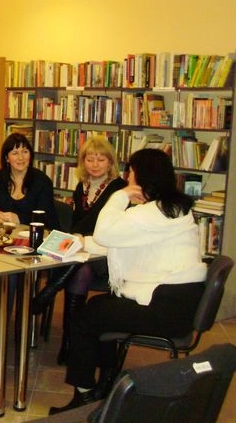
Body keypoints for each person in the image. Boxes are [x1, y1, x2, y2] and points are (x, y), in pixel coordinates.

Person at [49, 148, 207, 414]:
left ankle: (83, 396)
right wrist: (82, 242)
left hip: (164, 307)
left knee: (86, 318)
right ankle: (105, 386)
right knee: (102, 309)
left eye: (130, 173)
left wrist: (120, 195)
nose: (127, 178)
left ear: (142, 177)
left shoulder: (150, 213)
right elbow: (125, 239)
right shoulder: (171, 210)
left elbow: (106, 232)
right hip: (178, 302)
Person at [31, 136, 127, 364]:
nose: (95, 164)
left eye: (101, 159)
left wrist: (77, 239)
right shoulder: (81, 187)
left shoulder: (118, 189)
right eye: (90, 159)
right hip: (82, 249)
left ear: (110, 162)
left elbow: (100, 225)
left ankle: (50, 292)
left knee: (80, 269)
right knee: (78, 269)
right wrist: (73, 240)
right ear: (83, 162)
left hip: (107, 253)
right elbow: (77, 223)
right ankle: (69, 343)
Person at [0, 133, 59, 343]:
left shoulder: (41, 181)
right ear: (6, 157)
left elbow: (47, 217)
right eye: (15, 152)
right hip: (2, 238)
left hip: (30, 244)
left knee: (9, 270)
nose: (20, 157)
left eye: (25, 152)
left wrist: (19, 218)